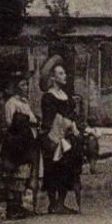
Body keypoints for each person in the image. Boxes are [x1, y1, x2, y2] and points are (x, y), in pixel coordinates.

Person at [39, 60, 86, 215]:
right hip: (53, 137)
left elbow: (73, 114)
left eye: (64, 73)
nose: (64, 76)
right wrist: (68, 124)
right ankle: (53, 203)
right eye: (61, 73)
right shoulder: (48, 97)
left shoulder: (66, 96)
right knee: (53, 168)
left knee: (68, 167)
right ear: (52, 78)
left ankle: (61, 202)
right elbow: (51, 118)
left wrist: (74, 125)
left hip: (67, 137)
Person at [0, 74, 40, 220]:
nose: (26, 88)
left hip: (28, 139)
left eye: (27, 85)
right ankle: (12, 207)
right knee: (15, 173)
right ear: (16, 87)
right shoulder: (11, 103)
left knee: (25, 172)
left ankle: (19, 205)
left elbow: (32, 118)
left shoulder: (25, 102)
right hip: (17, 141)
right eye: (22, 85)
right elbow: (10, 123)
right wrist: (25, 124)